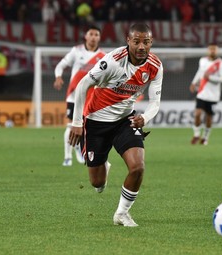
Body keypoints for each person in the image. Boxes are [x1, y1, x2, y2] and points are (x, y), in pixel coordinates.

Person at [68, 23, 163, 227]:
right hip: (95, 123)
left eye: (145, 42)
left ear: (151, 42)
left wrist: (144, 118)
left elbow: (155, 102)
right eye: (136, 41)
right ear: (128, 41)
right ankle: (103, 165)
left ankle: (121, 213)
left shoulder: (155, 66)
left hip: (125, 120)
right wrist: (77, 123)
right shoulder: (111, 61)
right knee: (97, 183)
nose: (141, 46)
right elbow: (83, 85)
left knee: (138, 167)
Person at [53, 25, 105, 167]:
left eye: (96, 35)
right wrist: (58, 77)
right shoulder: (76, 51)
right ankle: (67, 157)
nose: (93, 37)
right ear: (86, 36)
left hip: (91, 98)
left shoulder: (103, 57)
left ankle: (79, 150)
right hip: (74, 95)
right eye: (91, 34)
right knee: (71, 125)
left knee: (85, 127)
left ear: (99, 38)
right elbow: (60, 65)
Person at [189, 43, 222, 145]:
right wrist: (194, 82)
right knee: (197, 114)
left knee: (209, 118)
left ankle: (205, 138)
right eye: (211, 49)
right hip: (202, 93)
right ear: (208, 50)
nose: (212, 51)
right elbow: (200, 72)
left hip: (213, 96)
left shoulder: (221, 63)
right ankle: (197, 134)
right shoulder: (202, 61)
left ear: (217, 51)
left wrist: (210, 78)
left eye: (214, 49)